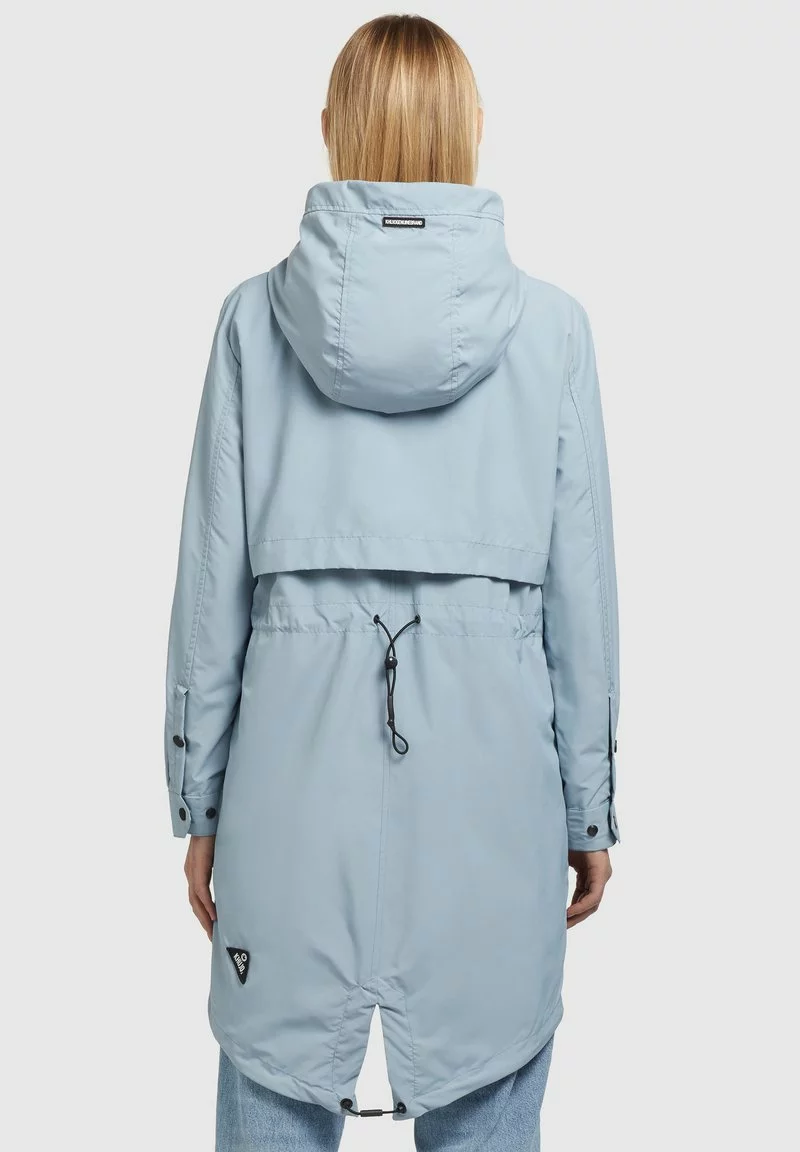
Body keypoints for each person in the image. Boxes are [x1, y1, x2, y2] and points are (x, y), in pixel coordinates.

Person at [164, 14, 619, 1151]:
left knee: (270, 1097)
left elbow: (211, 594)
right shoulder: (554, 332)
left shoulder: (250, 323)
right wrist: (587, 808)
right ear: (475, 129)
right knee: (489, 1088)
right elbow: (582, 601)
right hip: (495, 809)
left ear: (331, 128)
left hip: (285, 806)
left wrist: (199, 801)